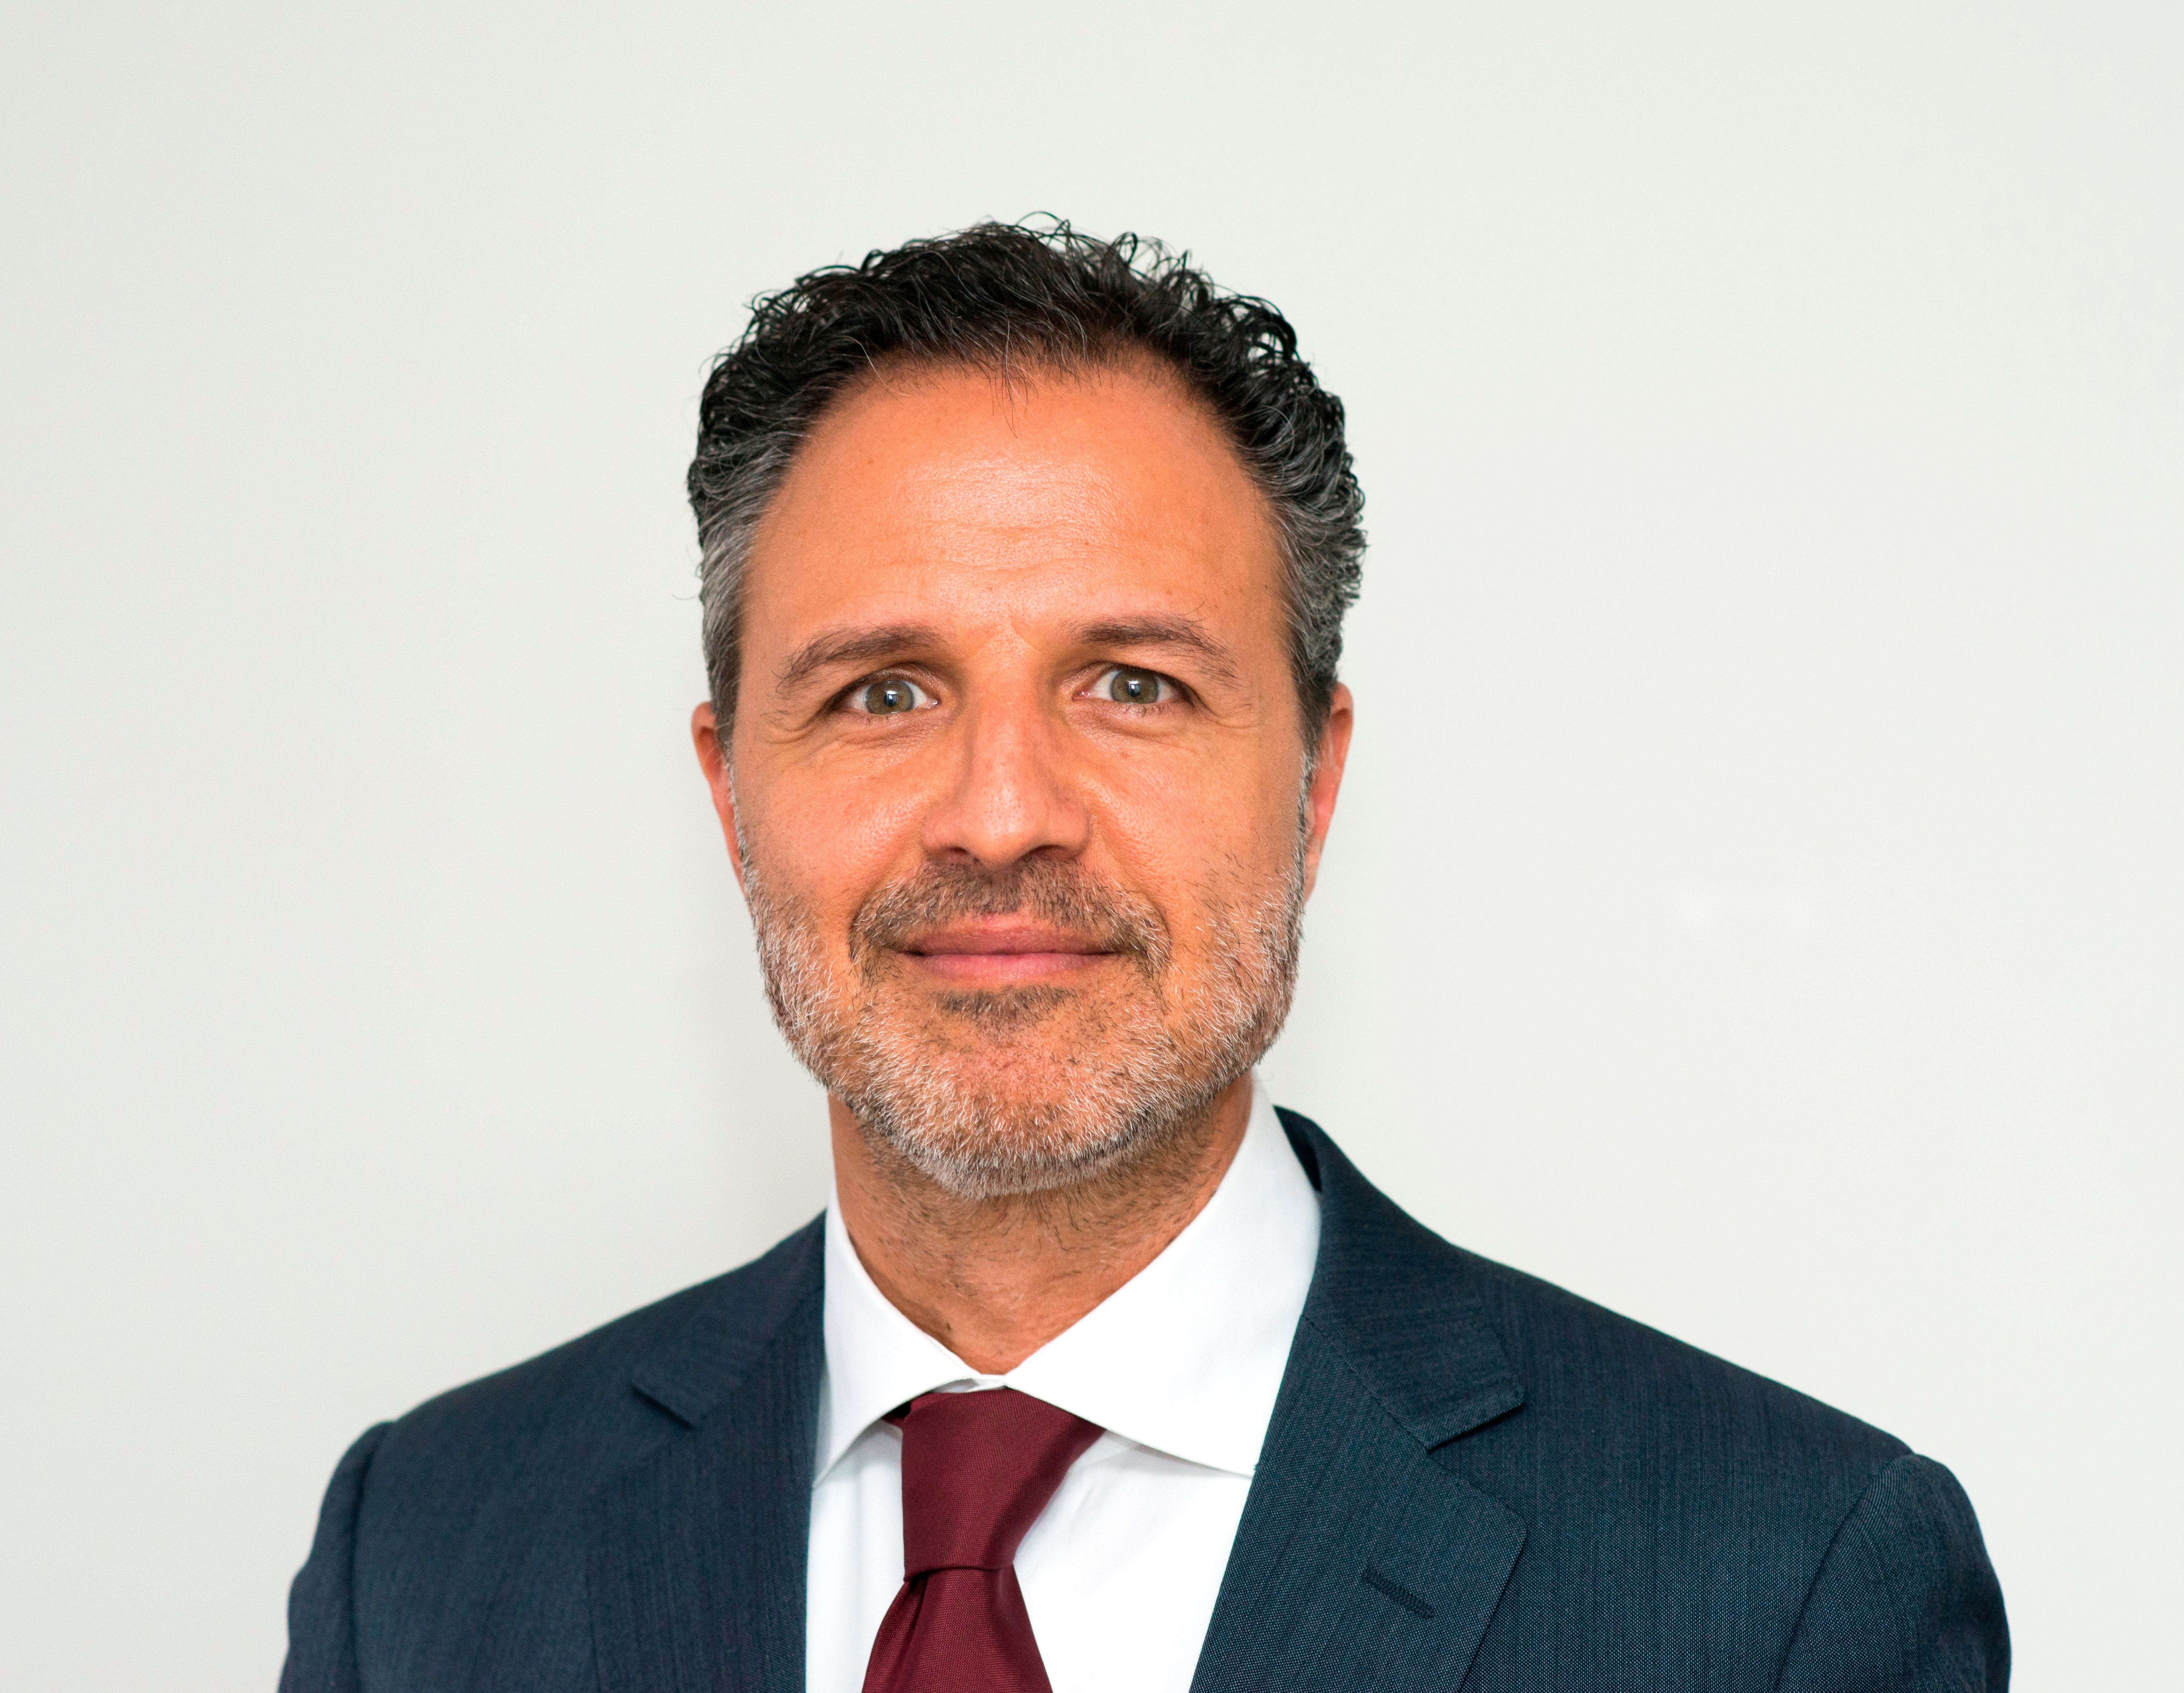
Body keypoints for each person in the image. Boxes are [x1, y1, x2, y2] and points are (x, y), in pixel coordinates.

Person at [279, 221, 2007, 1693]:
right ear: (733, 796)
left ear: (1313, 783)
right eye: (884, 692)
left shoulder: (1778, 1583)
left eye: (1132, 686)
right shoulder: (422, 1553)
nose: (1002, 816)